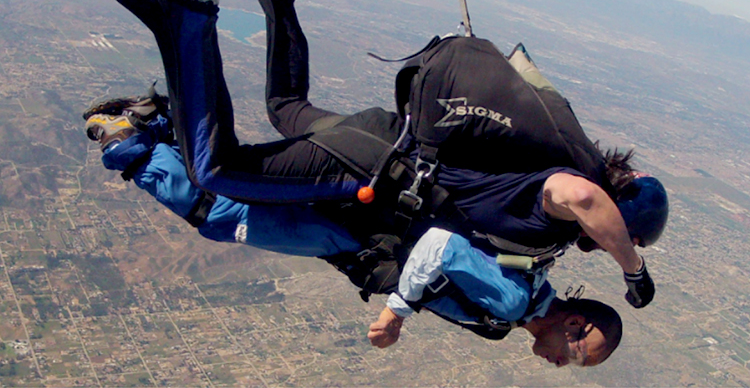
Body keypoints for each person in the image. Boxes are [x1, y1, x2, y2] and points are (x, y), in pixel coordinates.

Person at [98, 0, 666, 314]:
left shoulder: (544, 161)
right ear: (619, 226)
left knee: (286, 106)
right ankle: (188, 10)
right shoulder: (558, 203)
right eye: (622, 238)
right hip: (364, 169)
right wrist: (634, 273)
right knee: (217, 170)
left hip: (382, 140)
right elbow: (584, 198)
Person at [84, 115, 621, 367]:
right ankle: (130, 142)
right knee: (220, 214)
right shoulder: (512, 301)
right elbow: (440, 249)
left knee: (243, 181)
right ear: (575, 322)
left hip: (368, 217)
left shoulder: (536, 269)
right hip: (347, 238)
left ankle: (151, 132)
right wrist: (396, 313)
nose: (563, 365)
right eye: (577, 354)